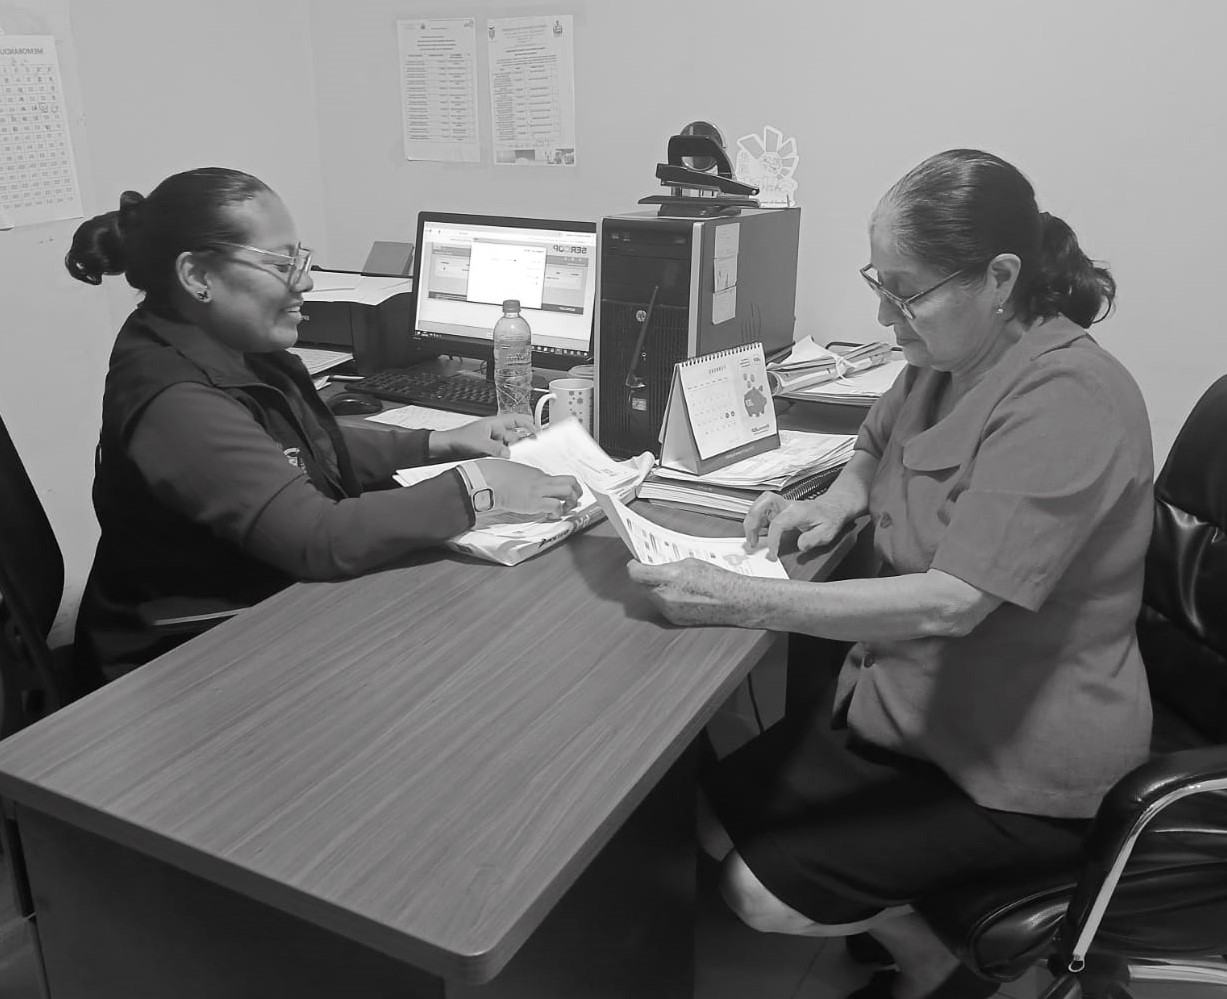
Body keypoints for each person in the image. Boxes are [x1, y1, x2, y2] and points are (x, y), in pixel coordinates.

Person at [628, 149, 1154, 999]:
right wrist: (838, 502)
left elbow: (952, 604)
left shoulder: (1067, 397)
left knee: (751, 891)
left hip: (1014, 762)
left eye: (905, 292)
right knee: (700, 818)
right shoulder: (946, 357)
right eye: (879, 282)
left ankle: (931, 958)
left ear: (999, 278)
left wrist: (742, 599)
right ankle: (904, 924)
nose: (884, 314)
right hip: (906, 705)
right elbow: (876, 441)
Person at [65, 167, 581, 681]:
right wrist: (478, 488)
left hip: (272, 602)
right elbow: (316, 537)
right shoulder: (177, 400)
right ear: (198, 277)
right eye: (282, 263)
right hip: (190, 657)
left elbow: (303, 444)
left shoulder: (229, 345)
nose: (306, 281)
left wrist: (439, 443)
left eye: (300, 258)